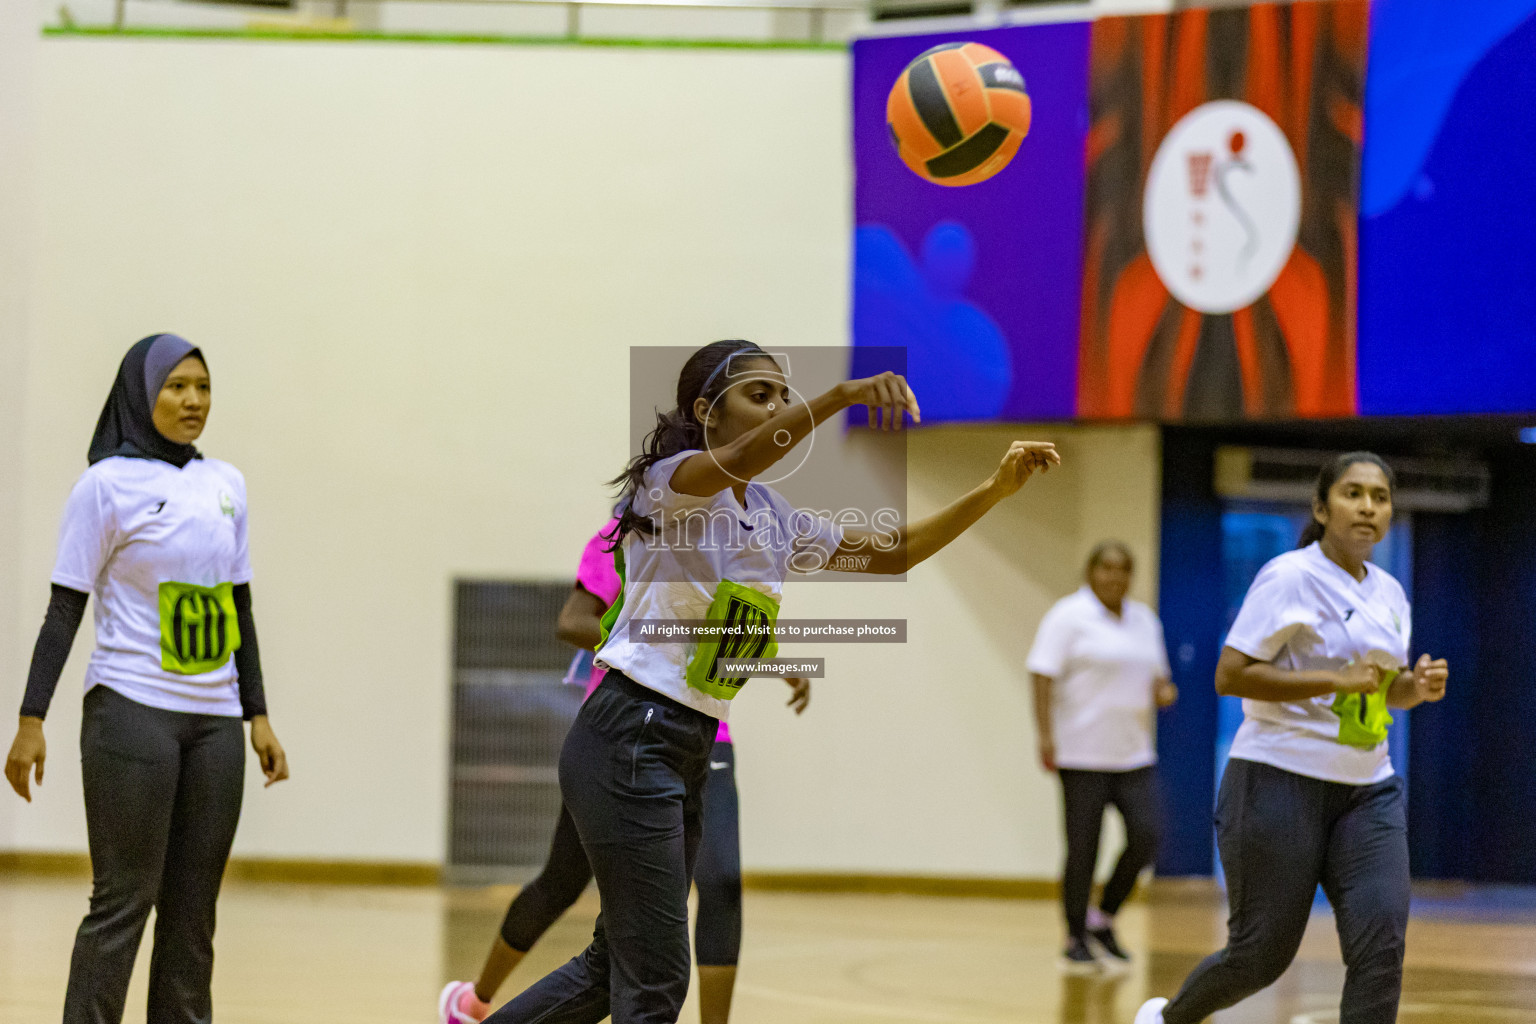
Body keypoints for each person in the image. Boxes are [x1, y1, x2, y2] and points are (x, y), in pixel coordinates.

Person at [484, 339, 1058, 1024]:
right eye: (761, 394)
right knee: (658, 982)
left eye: (785, 395)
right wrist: (842, 397)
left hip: (687, 741)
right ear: (708, 411)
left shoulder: (772, 516)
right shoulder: (671, 482)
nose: (779, 407)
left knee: (617, 970)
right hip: (629, 733)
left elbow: (895, 550)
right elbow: (742, 459)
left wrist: (995, 489)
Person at [4, 333, 289, 1024]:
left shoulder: (227, 483)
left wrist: (258, 714)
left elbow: (237, 604)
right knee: (123, 902)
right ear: (142, 392)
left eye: (204, 387)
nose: (194, 401)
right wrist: (30, 719)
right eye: (177, 386)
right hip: (131, 711)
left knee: (193, 915)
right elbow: (65, 606)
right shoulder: (105, 485)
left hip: (216, 721)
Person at [440, 519, 810, 1024]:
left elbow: (727, 624)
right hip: (625, 738)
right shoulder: (626, 533)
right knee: (567, 889)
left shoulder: (726, 537)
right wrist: (655, 639)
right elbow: (573, 622)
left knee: (712, 890)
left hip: (700, 741)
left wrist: (773, 655)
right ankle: (475, 999)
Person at [1135, 452, 1449, 1024]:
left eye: (1379, 497)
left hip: (1367, 788)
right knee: (1261, 954)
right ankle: (1167, 1019)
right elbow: (1230, 675)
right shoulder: (1290, 577)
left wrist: (1415, 687)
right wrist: (1335, 677)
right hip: (1278, 779)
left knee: (1381, 945)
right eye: (1353, 493)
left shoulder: (1391, 593)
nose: (1368, 507)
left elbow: (1382, 692)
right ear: (1321, 507)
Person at [1027, 541, 1177, 973]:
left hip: (1133, 753)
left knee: (1146, 836)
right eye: (1106, 568)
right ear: (1091, 572)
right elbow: (1041, 673)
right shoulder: (1068, 616)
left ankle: (1103, 918)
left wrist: (1163, 693)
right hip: (1081, 752)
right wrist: (1045, 735)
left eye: (1123, 569)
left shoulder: (1144, 620)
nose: (1115, 577)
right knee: (1083, 848)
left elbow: (1158, 678)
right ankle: (1075, 936)